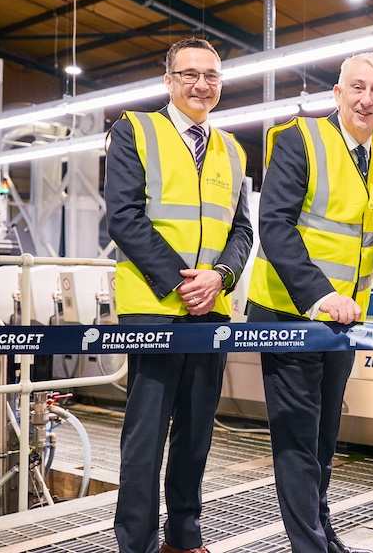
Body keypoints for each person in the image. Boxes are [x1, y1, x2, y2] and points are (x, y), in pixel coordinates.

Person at [246, 51, 373, 553]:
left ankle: (320, 529)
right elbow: (275, 226)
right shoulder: (298, 139)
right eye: (356, 87)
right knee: (297, 437)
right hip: (288, 311)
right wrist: (321, 294)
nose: (366, 98)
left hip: (344, 322)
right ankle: (308, 545)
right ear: (337, 94)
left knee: (324, 434)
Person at [105, 36, 253, 553]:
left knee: (195, 433)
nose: (200, 84)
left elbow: (242, 232)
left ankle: (183, 537)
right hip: (153, 308)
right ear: (168, 81)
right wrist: (179, 279)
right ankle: (138, 544)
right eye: (189, 74)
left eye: (210, 75)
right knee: (145, 439)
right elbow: (123, 216)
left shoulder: (232, 149)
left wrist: (221, 277)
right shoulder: (135, 131)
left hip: (210, 310)